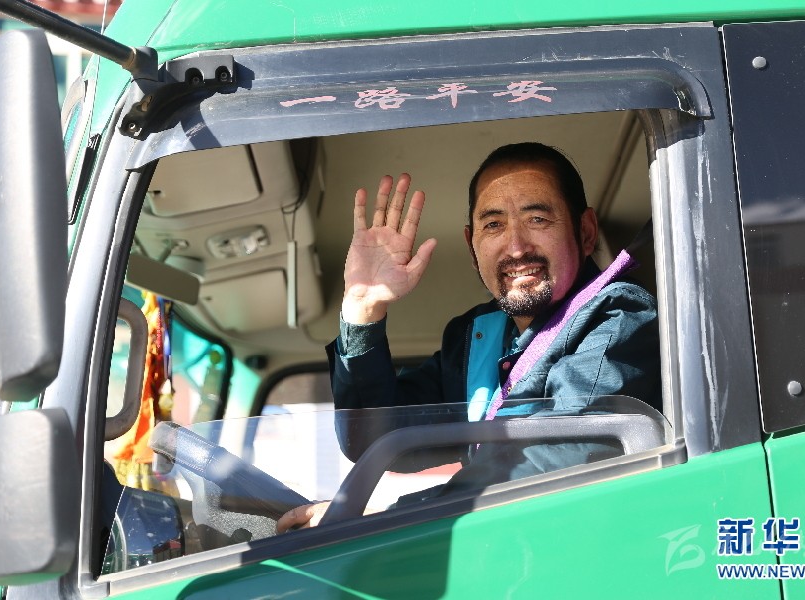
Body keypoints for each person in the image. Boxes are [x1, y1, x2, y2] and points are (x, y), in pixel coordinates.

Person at [275, 142, 661, 533]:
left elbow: (558, 461)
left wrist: (386, 519)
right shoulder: (476, 336)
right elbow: (373, 438)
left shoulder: (616, 316)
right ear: (472, 248)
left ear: (585, 232)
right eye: (493, 225)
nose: (516, 247)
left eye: (538, 219)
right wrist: (363, 309)